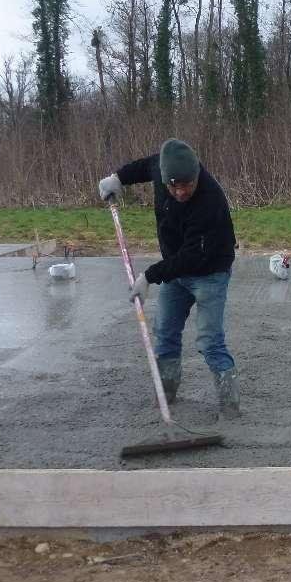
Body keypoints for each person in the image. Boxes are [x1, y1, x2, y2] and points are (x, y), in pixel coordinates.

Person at [98, 138, 240, 419]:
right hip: (175, 272)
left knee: (210, 340)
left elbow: (191, 257)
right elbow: (146, 165)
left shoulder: (210, 201)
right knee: (164, 332)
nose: (180, 191)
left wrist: (149, 276)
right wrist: (118, 178)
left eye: (187, 184)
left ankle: (230, 407)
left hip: (209, 272)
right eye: (173, 186)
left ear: (196, 175)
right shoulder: (161, 169)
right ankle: (166, 394)